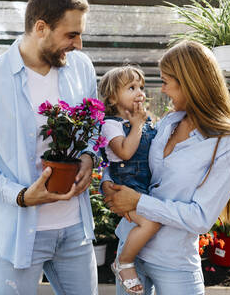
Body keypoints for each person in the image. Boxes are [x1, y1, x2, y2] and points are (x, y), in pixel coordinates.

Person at [0, 0, 99, 295]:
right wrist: (18, 195)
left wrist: (89, 156)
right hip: (18, 233)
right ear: (41, 27)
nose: (79, 45)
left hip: (74, 229)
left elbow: (94, 124)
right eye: (71, 35)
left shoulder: (81, 68)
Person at [102, 40, 230, 295]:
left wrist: (138, 202)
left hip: (174, 262)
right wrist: (109, 180)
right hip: (130, 250)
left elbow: (200, 217)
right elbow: (130, 156)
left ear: (189, 84)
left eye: (165, 81)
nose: (161, 89)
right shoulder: (170, 122)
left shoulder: (228, 144)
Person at [98, 66, 159, 295]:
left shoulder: (144, 120)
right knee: (151, 223)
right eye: (131, 87)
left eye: (141, 87)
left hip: (143, 188)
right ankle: (123, 262)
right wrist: (137, 125)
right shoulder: (110, 125)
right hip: (127, 188)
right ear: (113, 97)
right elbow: (124, 152)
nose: (139, 92)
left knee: (149, 224)